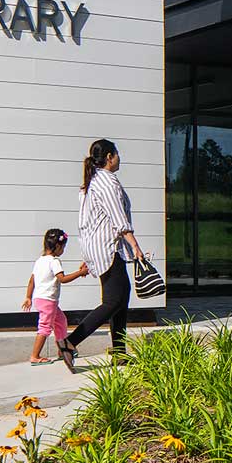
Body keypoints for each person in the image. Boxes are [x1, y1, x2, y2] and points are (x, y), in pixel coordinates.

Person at [55, 139, 147, 371]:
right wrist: (135, 246)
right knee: (114, 301)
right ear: (109, 157)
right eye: (117, 154)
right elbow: (118, 218)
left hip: (100, 248)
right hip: (109, 248)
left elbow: (86, 222)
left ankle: (119, 353)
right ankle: (69, 342)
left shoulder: (91, 182)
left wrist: (88, 253)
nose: (119, 159)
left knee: (120, 300)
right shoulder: (107, 182)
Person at [20, 228, 87, 365]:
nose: (63, 250)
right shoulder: (54, 261)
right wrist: (80, 273)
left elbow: (32, 280)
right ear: (57, 246)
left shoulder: (40, 260)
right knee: (45, 327)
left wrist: (28, 297)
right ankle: (35, 356)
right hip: (48, 301)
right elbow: (62, 279)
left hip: (40, 299)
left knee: (61, 322)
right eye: (63, 247)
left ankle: (63, 350)